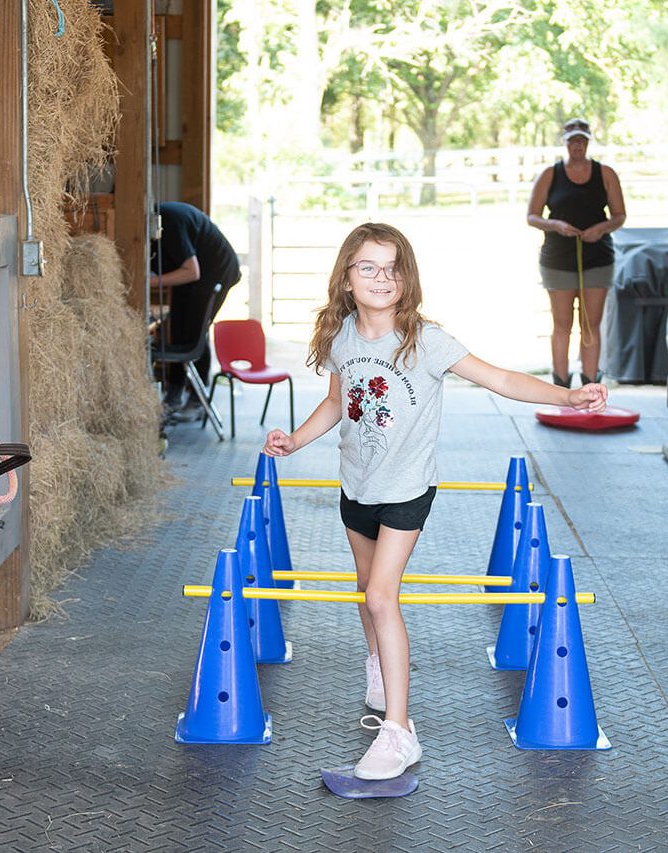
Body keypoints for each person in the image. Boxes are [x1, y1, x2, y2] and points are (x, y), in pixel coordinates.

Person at [262, 223, 607, 781]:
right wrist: (297, 440)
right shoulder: (342, 335)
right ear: (346, 279)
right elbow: (336, 401)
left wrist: (566, 396)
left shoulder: (425, 341)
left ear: (407, 279)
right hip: (357, 486)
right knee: (363, 587)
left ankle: (399, 732)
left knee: (380, 597)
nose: (381, 277)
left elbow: (499, 378)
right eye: (367, 267)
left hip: (405, 490)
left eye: (392, 267)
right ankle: (378, 666)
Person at [526, 117, 627, 388]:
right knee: (562, 324)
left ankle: (591, 385)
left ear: (588, 142)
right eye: (573, 141)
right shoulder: (551, 174)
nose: (578, 146)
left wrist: (601, 229)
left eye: (582, 141)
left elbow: (619, 216)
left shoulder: (605, 174)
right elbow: (532, 216)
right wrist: (555, 225)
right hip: (557, 260)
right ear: (565, 143)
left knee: (590, 324)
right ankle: (560, 386)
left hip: (597, 258)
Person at [150, 201, 241, 409]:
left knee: (195, 330)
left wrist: (148, 282)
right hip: (197, 272)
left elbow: (192, 271)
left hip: (216, 269)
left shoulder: (168, 224)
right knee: (179, 326)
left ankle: (196, 398)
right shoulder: (153, 230)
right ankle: (175, 391)